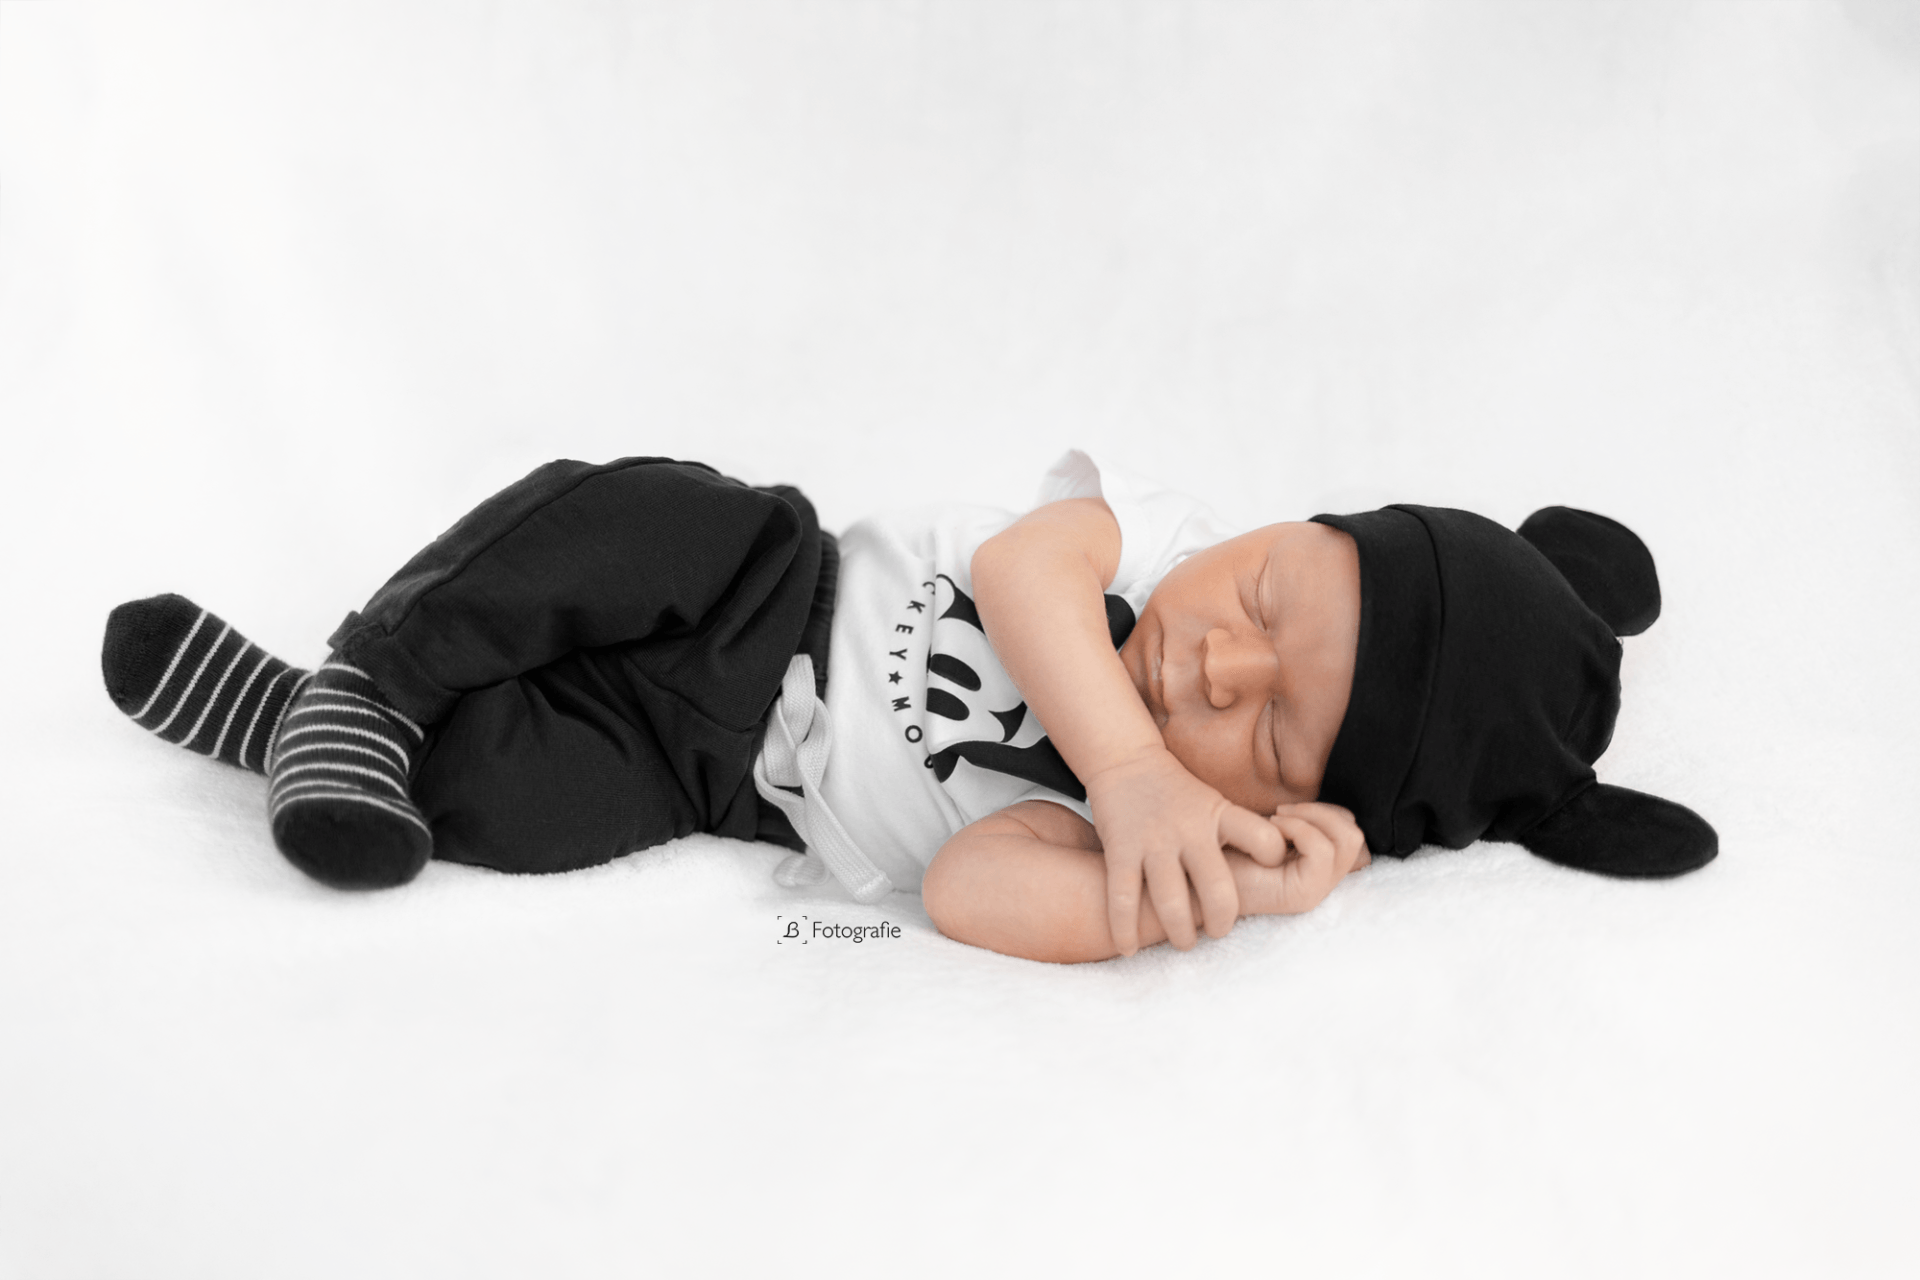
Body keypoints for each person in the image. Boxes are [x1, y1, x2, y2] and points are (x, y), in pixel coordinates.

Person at [100, 450, 1717, 964]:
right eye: (1272, 600)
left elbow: (965, 889)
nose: (1217, 661)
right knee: (626, 520)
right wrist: (1136, 765)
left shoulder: (1135, 835)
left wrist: (1219, 887)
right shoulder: (1142, 543)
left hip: (712, 776)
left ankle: (296, 725)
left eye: (1273, 731)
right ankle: (380, 674)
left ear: (1287, 802)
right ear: (1291, 527)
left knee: (531, 811)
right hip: (764, 589)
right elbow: (1021, 571)